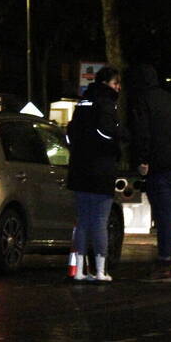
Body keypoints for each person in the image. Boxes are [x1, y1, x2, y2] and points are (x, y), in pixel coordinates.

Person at [128, 63, 171, 283]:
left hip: (161, 165)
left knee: (164, 214)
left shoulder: (141, 101)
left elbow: (142, 132)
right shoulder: (169, 98)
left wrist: (142, 160)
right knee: (168, 212)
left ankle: (165, 262)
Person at [66, 66, 127, 281]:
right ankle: (101, 270)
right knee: (100, 221)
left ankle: (80, 271)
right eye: (115, 83)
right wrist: (120, 139)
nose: (117, 87)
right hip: (101, 170)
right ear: (106, 84)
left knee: (83, 221)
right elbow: (109, 133)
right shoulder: (107, 103)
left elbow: (71, 133)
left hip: (80, 169)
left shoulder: (82, 102)